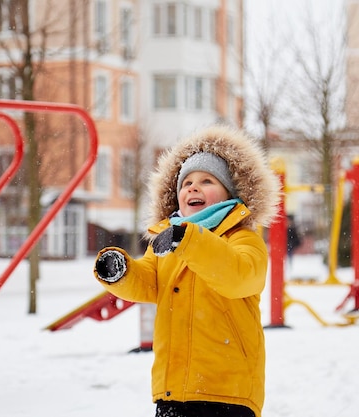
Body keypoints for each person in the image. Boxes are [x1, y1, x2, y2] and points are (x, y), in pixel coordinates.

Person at [93, 125, 281, 417]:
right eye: (186, 183)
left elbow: (239, 277)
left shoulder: (242, 239)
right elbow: (149, 281)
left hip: (226, 391)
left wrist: (188, 239)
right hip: (174, 388)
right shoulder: (166, 243)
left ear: (230, 193)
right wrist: (123, 272)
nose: (193, 187)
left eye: (207, 181)